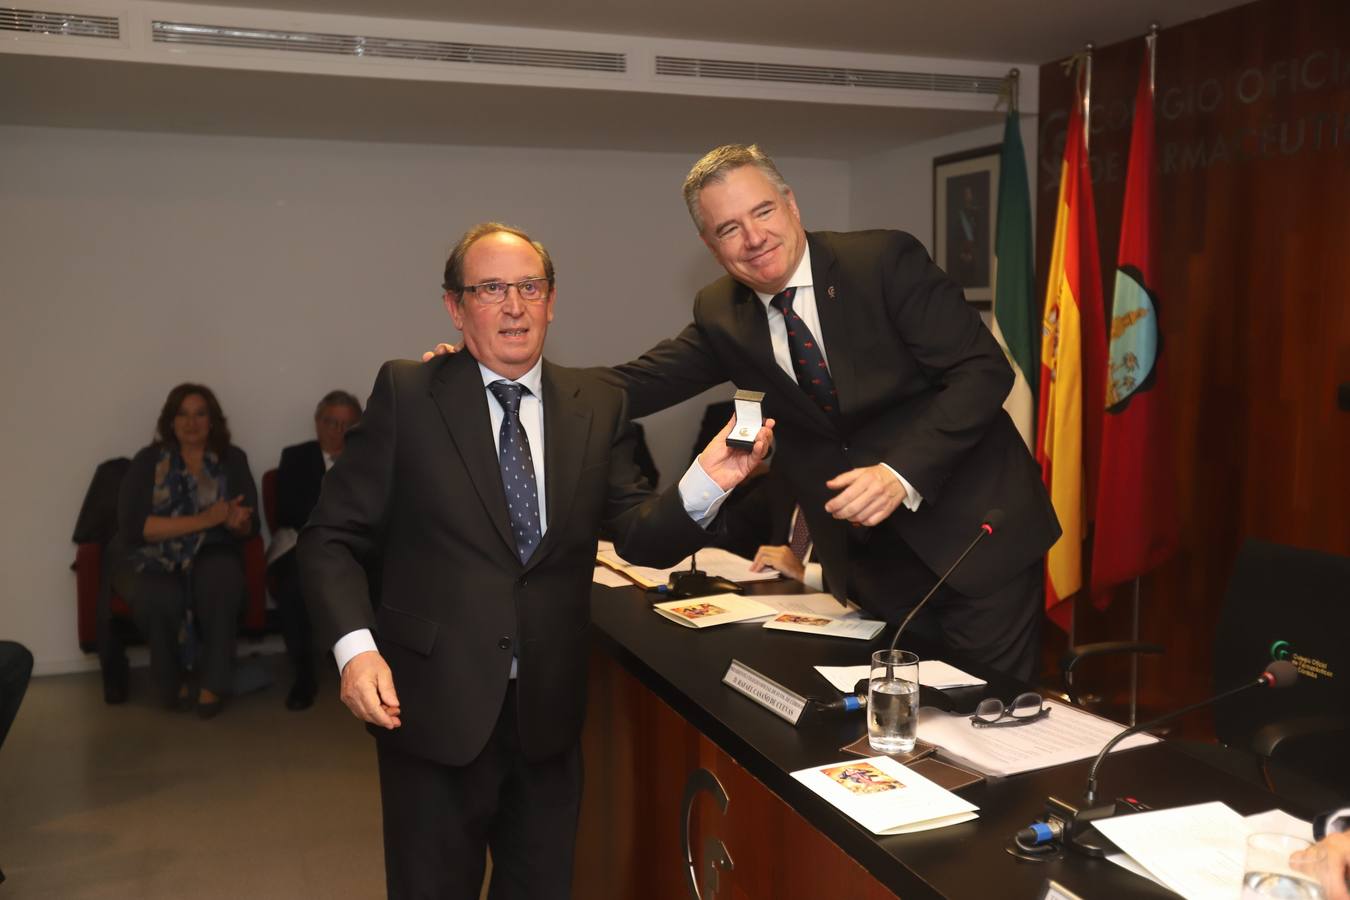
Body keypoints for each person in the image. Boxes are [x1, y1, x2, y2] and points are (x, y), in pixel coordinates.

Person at [432, 145, 1059, 679]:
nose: (753, 237)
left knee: (988, 722)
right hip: (874, 566)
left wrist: (898, 471)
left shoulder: (883, 264)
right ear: (709, 243)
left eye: (762, 211)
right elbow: (634, 383)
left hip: (977, 539)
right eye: (729, 227)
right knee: (901, 732)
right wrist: (486, 371)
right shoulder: (723, 311)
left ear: (792, 206)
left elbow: (983, 370)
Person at [299, 222, 772, 899]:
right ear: (455, 309)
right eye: (490, 289)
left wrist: (708, 480)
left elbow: (638, 536)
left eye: (529, 287)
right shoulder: (409, 394)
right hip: (431, 713)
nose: (514, 305)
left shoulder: (595, 403)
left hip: (547, 720)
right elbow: (329, 537)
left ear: (552, 301)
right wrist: (355, 650)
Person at [109, 384, 259, 717]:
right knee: (155, 597)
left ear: (213, 420)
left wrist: (236, 521)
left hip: (215, 550)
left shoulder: (233, 459)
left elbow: (251, 526)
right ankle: (169, 680)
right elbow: (136, 528)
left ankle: (213, 683)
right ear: (171, 420)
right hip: (156, 554)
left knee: (222, 582)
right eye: (183, 414)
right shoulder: (148, 460)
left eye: (200, 414)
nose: (191, 423)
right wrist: (207, 518)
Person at [267, 390, 362, 711]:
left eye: (346, 424)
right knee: (295, 584)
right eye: (331, 422)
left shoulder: (366, 456)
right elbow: (290, 511)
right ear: (317, 422)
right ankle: (303, 676)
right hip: (302, 543)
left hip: (356, 546)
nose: (338, 430)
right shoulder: (295, 456)